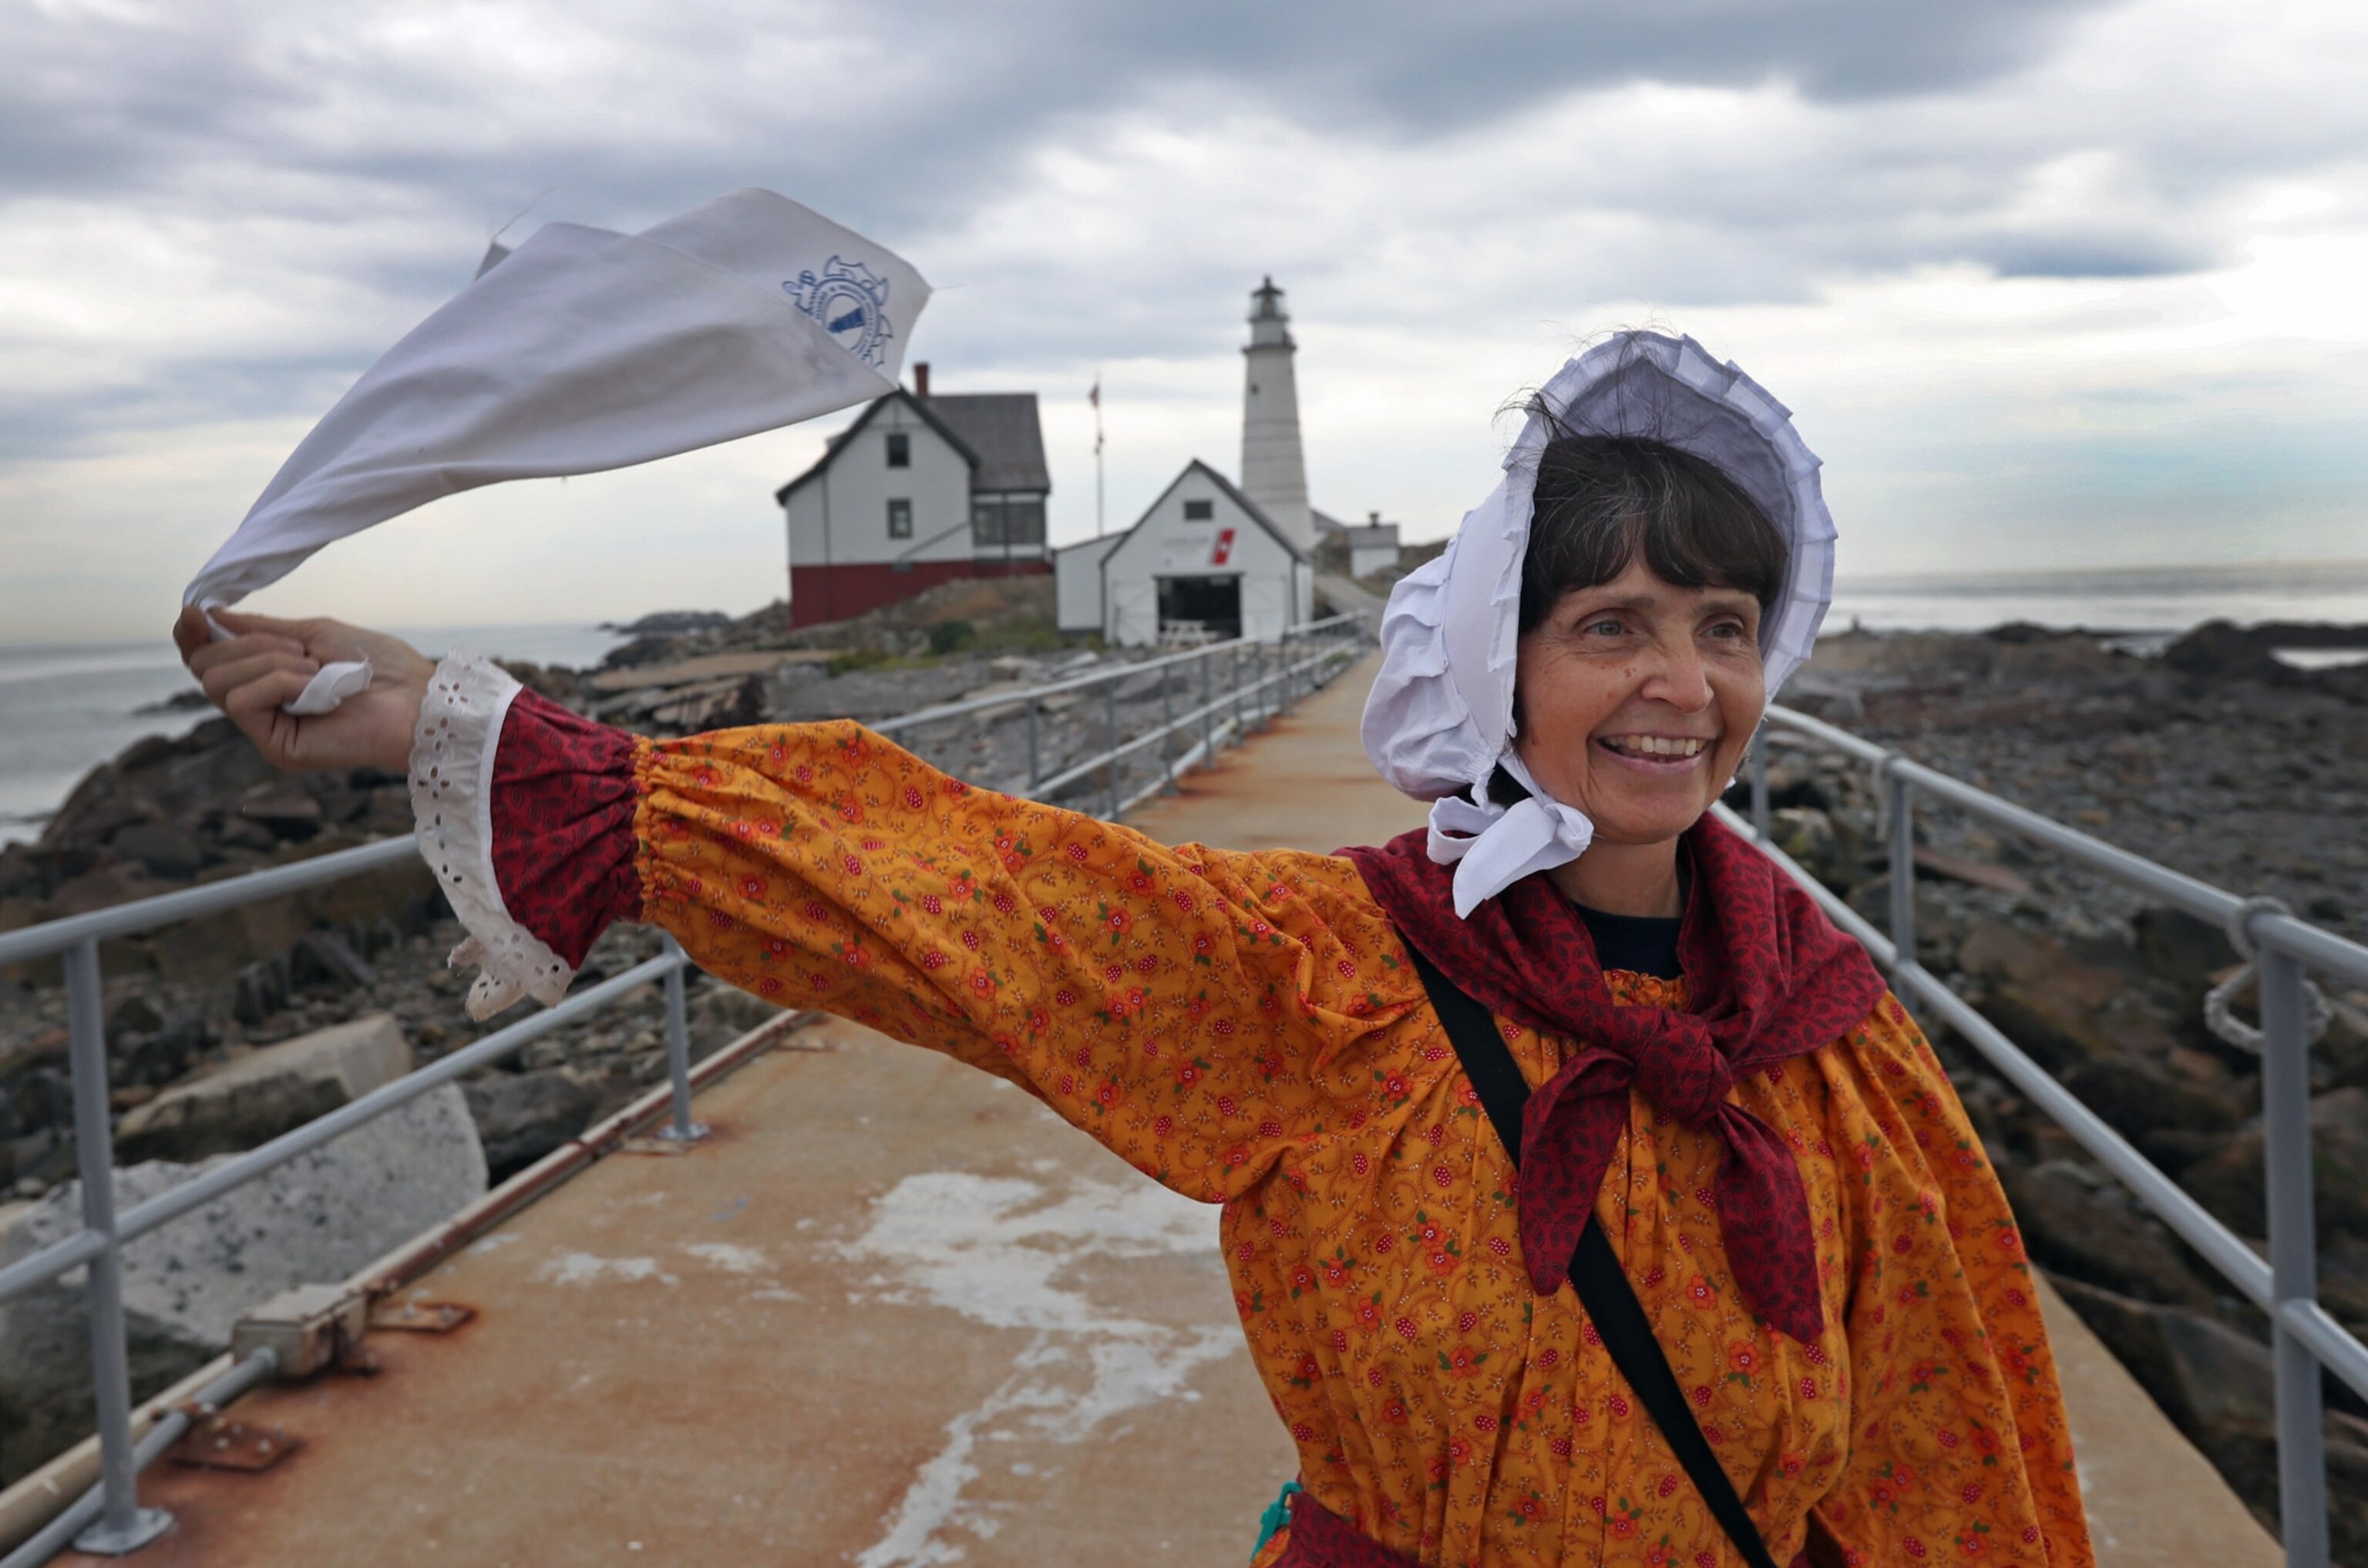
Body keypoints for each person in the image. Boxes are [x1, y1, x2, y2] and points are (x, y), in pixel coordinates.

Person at [177, 332, 2091, 1567]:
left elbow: (1957, 1437)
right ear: (1496, 668)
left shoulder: (1834, 1037)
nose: (1683, 683)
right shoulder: (1331, 977)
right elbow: (962, 889)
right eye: (1613, 628)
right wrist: (481, 736)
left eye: (1724, 626)